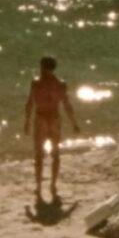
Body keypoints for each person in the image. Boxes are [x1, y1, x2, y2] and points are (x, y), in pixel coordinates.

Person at [24, 56, 80, 200]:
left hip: (43, 119)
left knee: (42, 155)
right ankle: (50, 185)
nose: (40, 70)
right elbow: (67, 105)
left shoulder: (38, 84)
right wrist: (74, 123)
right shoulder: (59, 84)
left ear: (44, 68)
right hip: (53, 119)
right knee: (52, 154)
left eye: (42, 67)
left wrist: (27, 122)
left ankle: (41, 186)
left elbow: (30, 104)